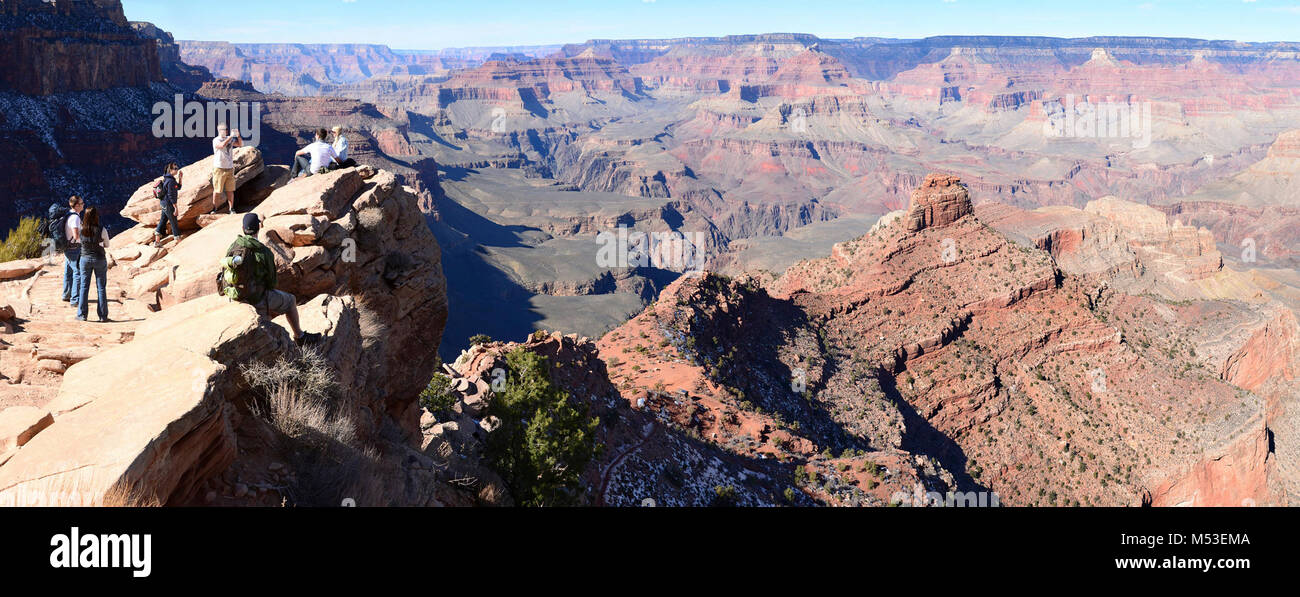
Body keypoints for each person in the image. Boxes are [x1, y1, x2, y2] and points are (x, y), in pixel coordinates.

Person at [218, 214, 319, 345]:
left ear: (243, 228)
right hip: (256, 298)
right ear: (259, 227)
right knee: (290, 300)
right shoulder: (263, 251)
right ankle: (300, 336)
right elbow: (272, 282)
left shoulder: (234, 245)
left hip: (235, 295)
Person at [76, 207, 112, 322]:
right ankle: (103, 316)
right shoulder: (102, 229)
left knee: (84, 287)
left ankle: (82, 315)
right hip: (99, 259)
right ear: (96, 216)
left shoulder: (81, 229)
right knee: (101, 288)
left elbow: (79, 242)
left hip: (85, 259)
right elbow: (107, 245)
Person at [212, 123, 243, 215]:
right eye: (224, 129)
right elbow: (221, 146)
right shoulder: (216, 140)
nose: (226, 131)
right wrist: (230, 137)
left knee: (230, 190)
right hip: (219, 168)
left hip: (229, 168)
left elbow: (240, 144)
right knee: (217, 190)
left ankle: (231, 208)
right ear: (219, 130)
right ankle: (214, 208)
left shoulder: (229, 139)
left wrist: (238, 136)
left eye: (227, 129)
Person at [151, 162, 183, 247]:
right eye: (175, 169)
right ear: (171, 170)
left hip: (163, 203)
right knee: (173, 222)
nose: (177, 170)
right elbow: (171, 195)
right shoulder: (171, 181)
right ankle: (178, 239)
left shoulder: (167, 178)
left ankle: (157, 241)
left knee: (163, 220)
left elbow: (178, 187)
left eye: (177, 168)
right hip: (168, 204)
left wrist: (180, 178)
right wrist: (175, 207)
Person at [61, 196, 84, 309]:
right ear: (77, 206)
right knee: (78, 273)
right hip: (74, 248)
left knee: (68, 271)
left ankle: (66, 294)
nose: (83, 205)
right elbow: (76, 236)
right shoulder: (75, 218)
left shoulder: (68, 214)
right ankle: (75, 300)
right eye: (82, 203)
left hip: (67, 246)